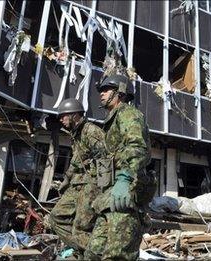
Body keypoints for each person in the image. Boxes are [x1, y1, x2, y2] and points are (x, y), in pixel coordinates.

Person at [85, 74, 154, 260]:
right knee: (93, 253)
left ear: (120, 93)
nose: (101, 94)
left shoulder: (127, 113)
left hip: (126, 196)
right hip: (109, 198)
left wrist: (125, 178)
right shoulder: (112, 120)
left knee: (117, 255)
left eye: (106, 90)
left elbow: (137, 147)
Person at [48, 98, 105, 256]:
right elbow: (77, 160)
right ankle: (87, 250)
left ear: (74, 115)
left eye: (63, 116)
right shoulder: (76, 134)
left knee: (81, 226)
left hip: (92, 185)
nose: (61, 120)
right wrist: (66, 180)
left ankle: (94, 254)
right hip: (77, 184)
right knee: (55, 218)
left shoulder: (91, 132)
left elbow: (106, 160)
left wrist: (103, 191)